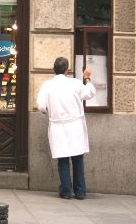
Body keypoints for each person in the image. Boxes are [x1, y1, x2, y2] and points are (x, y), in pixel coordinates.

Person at [36, 56, 96, 200]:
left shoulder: (47, 85)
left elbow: (41, 106)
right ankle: (80, 192)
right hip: (75, 125)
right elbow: (90, 93)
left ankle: (66, 191)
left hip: (58, 126)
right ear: (67, 70)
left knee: (62, 159)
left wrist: (48, 112)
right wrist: (86, 78)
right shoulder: (75, 83)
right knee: (77, 159)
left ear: (53, 70)